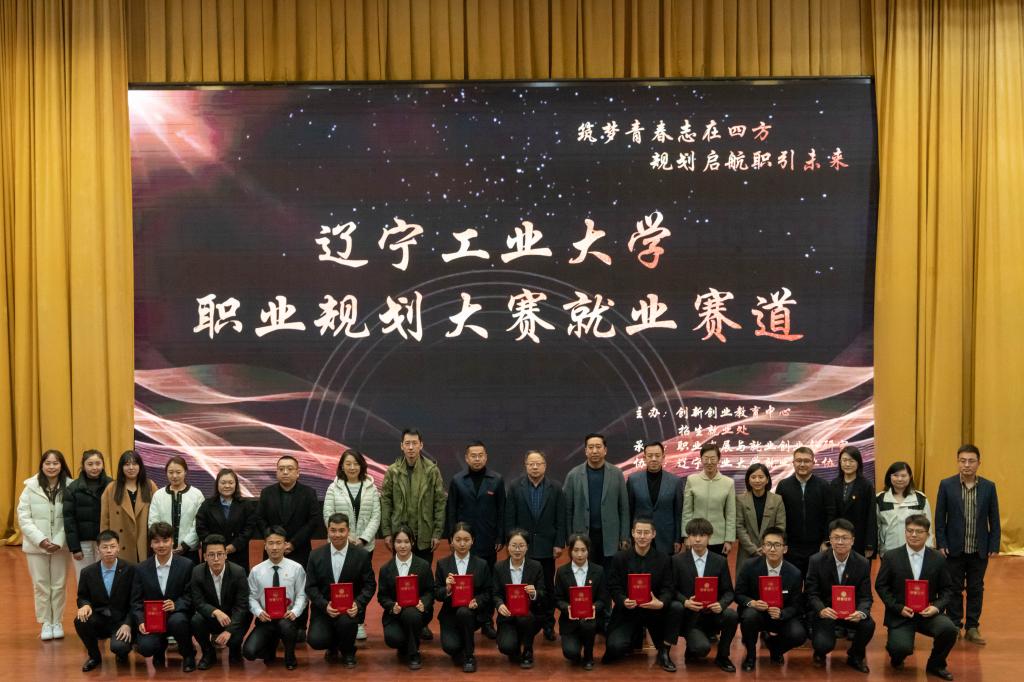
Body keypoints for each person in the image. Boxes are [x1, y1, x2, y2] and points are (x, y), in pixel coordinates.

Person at [874, 514, 958, 681]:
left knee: (949, 629)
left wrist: (936, 607)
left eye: (919, 531)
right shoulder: (891, 557)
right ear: (905, 532)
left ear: (927, 534)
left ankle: (936, 664)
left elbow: (948, 589)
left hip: (928, 613)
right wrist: (897, 608)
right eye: (910, 530)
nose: (913, 535)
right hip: (901, 614)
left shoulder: (938, 558)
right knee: (899, 649)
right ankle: (896, 655)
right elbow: (881, 586)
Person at [935, 443, 1001, 645]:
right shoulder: (946, 485)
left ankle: (972, 627)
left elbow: (994, 518)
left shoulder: (989, 487)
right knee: (954, 588)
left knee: (976, 589)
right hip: (953, 548)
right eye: (962, 461)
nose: (966, 465)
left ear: (979, 463)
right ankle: (954, 625)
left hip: (979, 548)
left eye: (971, 461)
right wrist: (941, 542)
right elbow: (940, 518)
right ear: (957, 462)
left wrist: (994, 545)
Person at [445, 440, 505, 637]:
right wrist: (452, 538)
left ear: (486, 457)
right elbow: (451, 511)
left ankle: (487, 620)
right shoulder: (457, 480)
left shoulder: (496, 480)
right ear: (466, 458)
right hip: (463, 541)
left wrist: (500, 536)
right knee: (464, 578)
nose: (477, 459)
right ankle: (464, 618)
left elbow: (501, 511)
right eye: (473, 455)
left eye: (480, 455)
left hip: (488, 539)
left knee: (487, 581)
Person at [505, 449, 566, 641]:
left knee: (547, 588)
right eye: (531, 463)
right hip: (521, 548)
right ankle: (519, 619)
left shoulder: (556, 488)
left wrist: (559, 543)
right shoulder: (515, 487)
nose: (534, 467)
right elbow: (510, 518)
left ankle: (548, 624)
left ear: (545, 466)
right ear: (525, 466)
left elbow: (561, 518)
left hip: (547, 547)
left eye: (538, 463)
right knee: (521, 585)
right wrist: (511, 542)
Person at [665, 517, 738, 673]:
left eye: (702, 535)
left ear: (709, 537)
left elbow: (729, 591)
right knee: (701, 649)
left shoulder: (719, 561)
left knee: (731, 615)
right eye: (693, 535)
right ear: (688, 538)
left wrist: (721, 604)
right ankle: (692, 647)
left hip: (713, 614)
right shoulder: (677, 561)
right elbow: (671, 589)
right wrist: (685, 601)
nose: (697, 539)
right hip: (690, 619)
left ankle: (723, 656)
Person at [603, 517, 676, 672]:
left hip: (654, 612)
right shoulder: (620, 558)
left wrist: (661, 602)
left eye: (646, 533)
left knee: (674, 609)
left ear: (654, 534)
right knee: (615, 648)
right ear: (632, 533)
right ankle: (634, 638)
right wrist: (623, 600)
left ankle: (664, 653)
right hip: (627, 612)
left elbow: (668, 587)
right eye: (639, 532)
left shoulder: (664, 559)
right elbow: (613, 586)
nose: (642, 536)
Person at [321, 449, 380, 641]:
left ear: (362, 465)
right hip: (339, 543)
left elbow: (376, 516)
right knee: (339, 581)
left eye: (356, 463)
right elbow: (328, 514)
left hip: (364, 546)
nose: (352, 467)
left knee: (361, 583)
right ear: (342, 466)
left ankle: (359, 621)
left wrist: (363, 539)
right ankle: (337, 618)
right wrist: (345, 538)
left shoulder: (371, 487)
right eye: (348, 464)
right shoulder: (333, 488)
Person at [305, 513, 376, 668]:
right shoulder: (315, 555)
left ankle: (348, 651)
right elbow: (310, 587)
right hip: (324, 610)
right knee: (316, 640)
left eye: (341, 530)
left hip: (350, 610)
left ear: (348, 531)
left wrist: (358, 603)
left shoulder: (361, 555)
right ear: (328, 530)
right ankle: (332, 646)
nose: (337, 535)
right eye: (333, 530)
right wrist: (325, 605)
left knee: (346, 623)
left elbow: (370, 585)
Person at [805, 518, 874, 674]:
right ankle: (820, 652)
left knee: (868, 624)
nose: (840, 542)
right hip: (827, 612)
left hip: (851, 613)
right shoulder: (816, 561)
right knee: (823, 644)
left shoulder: (862, 563)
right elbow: (811, 592)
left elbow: (866, 597)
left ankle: (855, 655)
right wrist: (821, 609)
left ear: (852, 541)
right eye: (836, 538)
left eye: (845, 538)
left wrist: (861, 612)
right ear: (830, 540)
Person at [734, 526, 807, 671]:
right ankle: (751, 656)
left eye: (777, 545)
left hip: (780, 615)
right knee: (749, 616)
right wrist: (753, 603)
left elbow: (797, 605)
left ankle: (776, 648)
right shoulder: (749, 566)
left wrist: (782, 613)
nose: (772, 549)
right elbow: (738, 594)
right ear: (763, 548)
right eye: (768, 544)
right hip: (756, 613)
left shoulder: (794, 573)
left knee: (798, 634)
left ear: (785, 549)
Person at [18, 449, 72, 641]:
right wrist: (41, 540)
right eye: (48, 463)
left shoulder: (70, 487)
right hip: (36, 546)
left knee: (59, 585)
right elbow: (24, 517)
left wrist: (58, 541)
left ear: (61, 465)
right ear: (41, 465)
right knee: (41, 585)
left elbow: (71, 516)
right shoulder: (30, 487)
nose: (51, 467)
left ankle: (57, 621)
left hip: (61, 546)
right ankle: (45, 623)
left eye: (55, 463)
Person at [130, 521, 196, 672]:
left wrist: (176, 605)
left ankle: (188, 655)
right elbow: (136, 601)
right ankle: (158, 651)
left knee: (178, 621)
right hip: (152, 618)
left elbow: (191, 595)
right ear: (151, 544)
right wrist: (141, 620)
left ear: (172, 541)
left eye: (165, 540)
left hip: (177, 615)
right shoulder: (141, 568)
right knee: (146, 648)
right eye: (156, 541)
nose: (161, 545)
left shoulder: (186, 565)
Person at [243, 525, 308, 670]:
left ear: (285, 545)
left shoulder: (296, 568)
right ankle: (270, 648)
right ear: (265, 546)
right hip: (266, 619)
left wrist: (295, 612)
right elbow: (251, 597)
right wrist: (259, 612)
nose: (274, 547)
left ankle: (290, 656)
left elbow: (302, 594)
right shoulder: (256, 571)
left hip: (287, 618)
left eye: (279, 543)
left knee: (286, 627)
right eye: (271, 543)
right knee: (249, 652)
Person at [380, 429, 446, 565]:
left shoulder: (432, 471)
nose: (411, 447)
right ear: (401, 446)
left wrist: (437, 533)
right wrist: (386, 532)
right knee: (402, 575)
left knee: (423, 574)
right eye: (407, 443)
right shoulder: (393, 471)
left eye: (414, 443)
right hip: (400, 536)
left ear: (421, 445)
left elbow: (440, 503)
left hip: (424, 535)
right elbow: (386, 502)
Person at [564, 433, 630, 565]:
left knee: (609, 572)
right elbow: (567, 510)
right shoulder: (573, 475)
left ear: (605, 450)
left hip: (610, 536)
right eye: (591, 447)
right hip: (582, 536)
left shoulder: (616, 473)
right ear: (585, 451)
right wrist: (569, 537)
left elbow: (624, 508)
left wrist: (624, 536)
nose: (594, 451)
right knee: (585, 573)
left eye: (598, 447)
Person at [434, 522, 492, 672]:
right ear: (451, 541)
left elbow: (488, 592)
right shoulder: (443, 564)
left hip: (472, 613)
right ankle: (460, 645)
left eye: (466, 540)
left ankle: (469, 655)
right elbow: (437, 593)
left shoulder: (481, 564)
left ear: (472, 541)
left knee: (464, 612)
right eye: (458, 539)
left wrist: (477, 601)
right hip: (450, 614)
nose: (462, 544)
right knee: (450, 647)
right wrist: (447, 589)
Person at [74, 530, 135, 671]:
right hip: (100, 619)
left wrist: (128, 624)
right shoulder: (87, 572)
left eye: (113, 546)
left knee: (120, 647)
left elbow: (135, 601)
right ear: (98, 549)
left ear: (118, 547)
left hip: (121, 620)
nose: (109, 551)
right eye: (105, 547)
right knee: (80, 620)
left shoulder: (130, 569)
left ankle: (122, 653)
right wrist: (85, 605)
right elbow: (82, 596)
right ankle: (94, 656)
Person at [189, 533, 251, 669]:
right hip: (212, 618)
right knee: (196, 620)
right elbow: (198, 602)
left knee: (246, 616)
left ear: (226, 555)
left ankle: (235, 649)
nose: (216, 559)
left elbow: (242, 605)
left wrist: (229, 630)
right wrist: (216, 612)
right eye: (211, 555)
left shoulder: (238, 572)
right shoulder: (197, 572)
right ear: (205, 556)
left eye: (220, 554)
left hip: (233, 619)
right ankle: (208, 653)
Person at [377, 526, 434, 670]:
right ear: (393, 543)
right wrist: (392, 606)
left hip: (417, 612)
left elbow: (430, 591)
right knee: (393, 639)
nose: (402, 546)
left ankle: (414, 653)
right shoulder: (385, 569)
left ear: (412, 542)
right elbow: (382, 596)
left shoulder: (423, 565)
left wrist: (424, 603)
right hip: (395, 614)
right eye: (398, 542)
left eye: (406, 542)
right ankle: (407, 643)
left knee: (411, 614)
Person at [774, 447, 837, 576]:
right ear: (793, 463)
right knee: (791, 584)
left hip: (817, 547)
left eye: (806, 461)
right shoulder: (783, 485)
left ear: (813, 463)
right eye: (799, 460)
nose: (802, 464)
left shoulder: (823, 486)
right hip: (790, 547)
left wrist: (826, 541)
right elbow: (778, 516)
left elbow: (831, 515)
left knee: (815, 583)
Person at [492, 528, 545, 668]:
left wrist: (534, 593)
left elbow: (543, 593)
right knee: (507, 647)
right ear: (508, 546)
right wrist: (499, 604)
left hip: (529, 616)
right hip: (507, 617)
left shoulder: (536, 566)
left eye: (521, 546)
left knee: (525, 617)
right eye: (514, 545)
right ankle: (514, 645)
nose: (517, 550)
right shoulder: (499, 567)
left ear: (527, 547)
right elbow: (495, 594)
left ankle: (527, 650)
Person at [553, 533, 607, 670]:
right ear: (570, 551)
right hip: (570, 621)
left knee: (588, 624)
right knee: (571, 653)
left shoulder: (598, 570)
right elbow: (557, 599)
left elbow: (603, 599)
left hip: (591, 620)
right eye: (576, 550)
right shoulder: (562, 571)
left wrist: (594, 607)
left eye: (583, 550)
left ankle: (588, 655)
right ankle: (576, 646)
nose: (579, 554)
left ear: (588, 550)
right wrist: (568, 608)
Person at [257, 455, 321, 570]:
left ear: (297, 473)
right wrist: (273, 541)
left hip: (300, 549)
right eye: (281, 469)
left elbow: (313, 521)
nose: (285, 472)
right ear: (277, 472)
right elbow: (259, 519)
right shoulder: (267, 493)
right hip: (273, 549)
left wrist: (293, 543)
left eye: (290, 469)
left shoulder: (309, 493)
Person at [99, 449, 158, 563]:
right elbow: (105, 520)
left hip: (144, 541)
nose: (131, 468)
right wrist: (106, 544)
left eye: (135, 464)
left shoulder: (150, 486)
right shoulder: (111, 488)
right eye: (127, 464)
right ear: (121, 467)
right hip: (121, 542)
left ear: (140, 466)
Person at [195, 468, 259, 571]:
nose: (227, 486)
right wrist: (215, 546)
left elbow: (249, 528)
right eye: (223, 483)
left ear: (236, 484)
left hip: (238, 554)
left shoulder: (246, 505)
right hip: (213, 554)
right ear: (217, 484)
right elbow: (200, 527)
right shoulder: (207, 504)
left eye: (230, 482)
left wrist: (234, 545)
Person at [627, 440, 683, 556]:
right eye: (650, 455)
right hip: (640, 537)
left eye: (657, 455)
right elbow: (629, 511)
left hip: (666, 537)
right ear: (644, 458)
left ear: (663, 457)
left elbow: (678, 513)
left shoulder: (675, 481)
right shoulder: (633, 480)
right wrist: (628, 536)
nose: (653, 459)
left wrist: (678, 538)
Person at [63, 449, 112, 579]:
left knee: (105, 578)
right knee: (84, 578)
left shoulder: (112, 485)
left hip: (105, 541)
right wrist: (75, 548)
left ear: (103, 465)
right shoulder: (73, 488)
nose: (94, 467)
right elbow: (69, 520)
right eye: (90, 464)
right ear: (83, 466)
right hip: (83, 543)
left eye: (98, 463)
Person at [682, 443, 736, 555]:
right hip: (696, 537)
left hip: (719, 538)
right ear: (701, 459)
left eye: (713, 458)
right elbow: (687, 511)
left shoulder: (728, 483)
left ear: (718, 459)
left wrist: (729, 540)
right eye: (706, 458)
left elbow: (730, 514)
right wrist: (686, 536)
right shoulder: (692, 480)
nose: (709, 462)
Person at [149, 456, 205, 563]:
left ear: (185, 472)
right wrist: (163, 543)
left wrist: (185, 545)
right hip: (163, 550)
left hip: (189, 552)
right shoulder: (158, 495)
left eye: (178, 472)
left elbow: (198, 524)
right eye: (170, 472)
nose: (174, 476)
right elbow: (153, 522)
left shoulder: (197, 495)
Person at [829, 446, 877, 558]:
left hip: (859, 540)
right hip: (838, 540)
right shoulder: (834, 484)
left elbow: (871, 516)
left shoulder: (866, 485)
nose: (847, 464)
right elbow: (830, 514)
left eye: (851, 461)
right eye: (844, 460)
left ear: (858, 463)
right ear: (840, 462)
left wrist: (870, 544)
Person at [876, 460, 933, 556]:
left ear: (910, 477)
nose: (899, 479)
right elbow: (876, 526)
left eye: (903, 475)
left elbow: (928, 526)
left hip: (916, 551)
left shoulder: (920, 498)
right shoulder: (880, 499)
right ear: (889, 477)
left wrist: (928, 547)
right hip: (888, 550)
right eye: (895, 475)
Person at [735, 463, 786, 566]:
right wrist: (752, 549)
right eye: (753, 477)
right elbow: (739, 526)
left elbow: (780, 526)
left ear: (767, 479)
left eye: (761, 477)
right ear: (748, 480)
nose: (757, 480)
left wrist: (767, 546)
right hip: (747, 551)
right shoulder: (740, 499)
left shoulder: (777, 500)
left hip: (771, 551)